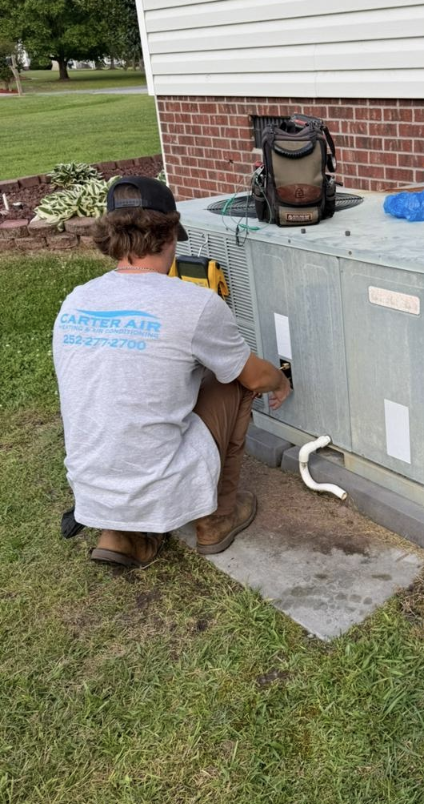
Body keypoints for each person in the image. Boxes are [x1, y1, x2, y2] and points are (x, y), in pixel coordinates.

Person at [53, 176, 291, 569]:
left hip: (91, 489)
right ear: (168, 237)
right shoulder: (194, 303)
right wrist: (280, 380)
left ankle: (119, 534)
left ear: (111, 237)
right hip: (157, 484)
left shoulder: (77, 300)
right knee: (234, 381)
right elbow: (254, 378)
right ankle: (216, 519)